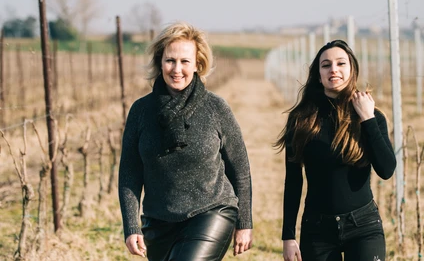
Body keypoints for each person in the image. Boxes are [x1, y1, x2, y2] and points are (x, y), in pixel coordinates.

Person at [118, 21, 253, 261]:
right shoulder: (141, 111)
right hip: (158, 221)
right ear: (160, 62)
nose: (176, 69)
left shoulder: (216, 108)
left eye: (185, 61)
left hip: (212, 211)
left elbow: (239, 169)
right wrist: (131, 226)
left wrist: (244, 223)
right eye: (170, 60)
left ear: (198, 65)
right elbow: (130, 172)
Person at [274, 39, 396, 261]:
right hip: (317, 229)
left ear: (352, 69)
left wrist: (367, 118)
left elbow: (386, 170)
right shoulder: (302, 119)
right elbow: (293, 181)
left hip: (363, 227)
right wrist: (288, 236)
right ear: (318, 74)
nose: (334, 70)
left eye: (341, 63)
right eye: (326, 65)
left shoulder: (371, 115)